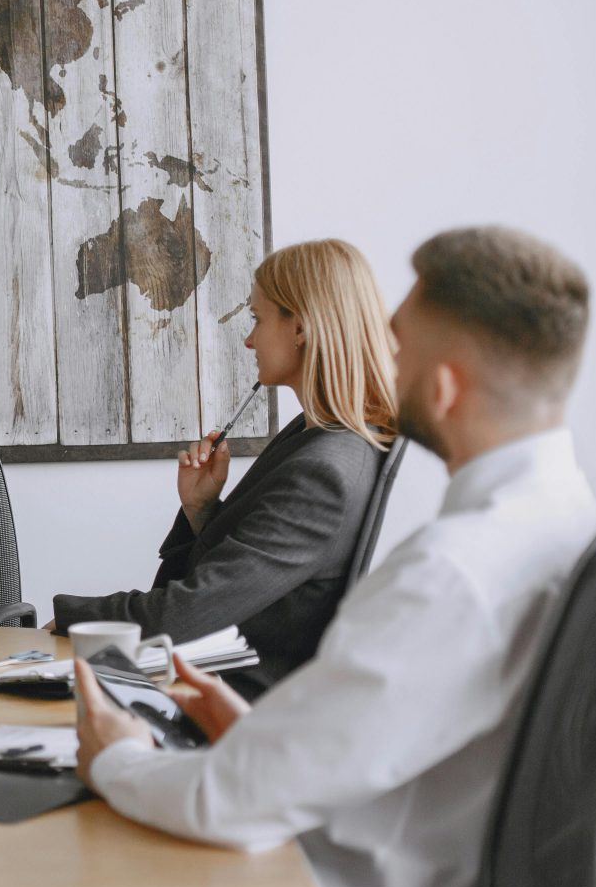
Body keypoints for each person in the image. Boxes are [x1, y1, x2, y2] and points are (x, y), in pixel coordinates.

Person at [74, 226, 596, 887]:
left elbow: (231, 805)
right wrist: (262, 734)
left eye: (397, 343)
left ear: (444, 387)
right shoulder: (569, 529)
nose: (382, 358)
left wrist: (117, 758)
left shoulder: (450, 575)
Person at [49, 240, 399, 696]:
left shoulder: (325, 471)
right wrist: (200, 509)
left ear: (301, 327)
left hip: (232, 707)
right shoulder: (314, 439)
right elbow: (222, 582)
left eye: (257, 318)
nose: (250, 339)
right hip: (205, 683)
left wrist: (70, 617)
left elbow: (184, 616)